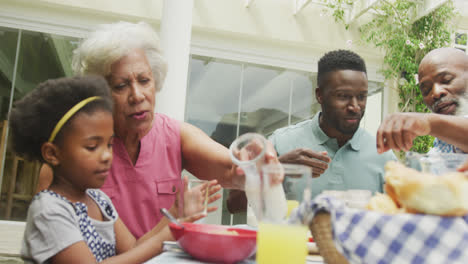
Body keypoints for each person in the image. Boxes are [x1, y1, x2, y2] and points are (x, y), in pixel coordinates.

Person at [37, 21, 279, 238]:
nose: (137, 95)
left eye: (144, 81)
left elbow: (231, 168)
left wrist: (254, 161)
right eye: (121, 85)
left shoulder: (175, 135)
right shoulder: (69, 162)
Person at [13, 76, 205, 264]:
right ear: (52, 154)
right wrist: (164, 237)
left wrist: (175, 216)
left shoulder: (99, 199)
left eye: (110, 144)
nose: (107, 156)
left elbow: (133, 250)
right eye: (92, 147)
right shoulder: (49, 211)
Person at [227, 50, 396, 213]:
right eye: (343, 96)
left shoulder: (383, 156)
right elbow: (233, 204)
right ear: (320, 95)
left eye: (361, 96)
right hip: (292, 243)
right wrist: (280, 168)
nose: (355, 106)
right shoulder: (281, 142)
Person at [376, 47, 468, 154]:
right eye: (426, 90)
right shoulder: (439, 151)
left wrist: (428, 123)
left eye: (446, 80)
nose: (436, 93)